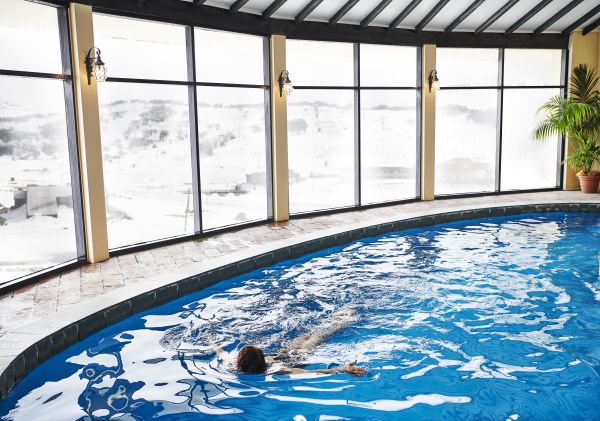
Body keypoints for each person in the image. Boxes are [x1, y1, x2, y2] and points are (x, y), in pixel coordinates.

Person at [214, 308, 366, 376]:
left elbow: (220, 353)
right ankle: (344, 317)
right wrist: (342, 369)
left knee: (313, 335)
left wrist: (211, 340)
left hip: (283, 355)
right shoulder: (276, 370)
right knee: (315, 336)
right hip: (297, 357)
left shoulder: (235, 366)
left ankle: (342, 317)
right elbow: (311, 372)